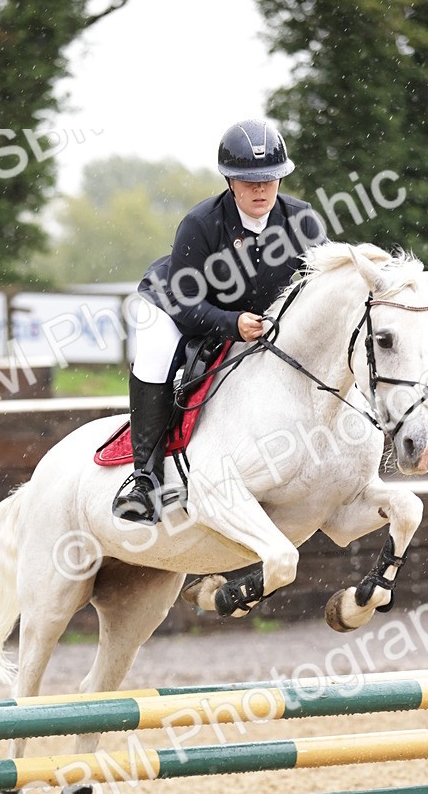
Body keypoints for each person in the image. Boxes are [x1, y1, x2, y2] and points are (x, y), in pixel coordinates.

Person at [112, 117, 327, 524]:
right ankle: (145, 480)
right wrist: (231, 324)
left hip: (252, 317)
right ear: (230, 180)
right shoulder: (201, 223)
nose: (260, 189)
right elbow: (184, 300)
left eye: (270, 178)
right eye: (249, 181)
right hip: (175, 304)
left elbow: (319, 290)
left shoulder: (303, 221)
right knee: (156, 353)